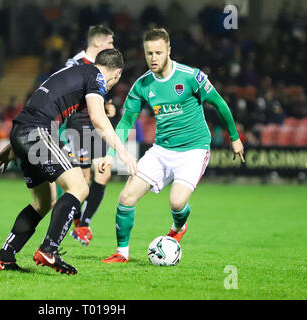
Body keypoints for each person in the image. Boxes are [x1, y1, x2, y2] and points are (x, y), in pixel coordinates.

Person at [100, 28, 245, 263]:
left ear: (169, 51)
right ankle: (121, 253)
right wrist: (109, 153)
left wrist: (234, 138)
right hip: (161, 150)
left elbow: (219, 104)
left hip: (194, 149)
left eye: (158, 52)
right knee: (126, 197)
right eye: (149, 53)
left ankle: (179, 226)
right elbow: (126, 121)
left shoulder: (190, 76)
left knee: (177, 202)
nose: (153, 58)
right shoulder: (142, 85)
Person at [0, 49, 137, 275]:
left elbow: (42, 104)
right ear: (116, 73)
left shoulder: (74, 72)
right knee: (78, 187)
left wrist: (16, 143)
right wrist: (123, 152)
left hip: (23, 130)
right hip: (37, 132)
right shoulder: (96, 77)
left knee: (43, 202)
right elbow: (98, 119)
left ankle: (4, 257)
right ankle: (49, 249)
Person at [63, 25, 117, 246]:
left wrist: (107, 106)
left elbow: (98, 95)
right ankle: (75, 221)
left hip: (95, 125)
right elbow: (66, 93)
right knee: (83, 180)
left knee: (103, 174)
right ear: (97, 42)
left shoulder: (104, 66)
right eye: (110, 42)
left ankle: (84, 223)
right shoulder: (75, 64)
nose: (112, 46)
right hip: (78, 124)